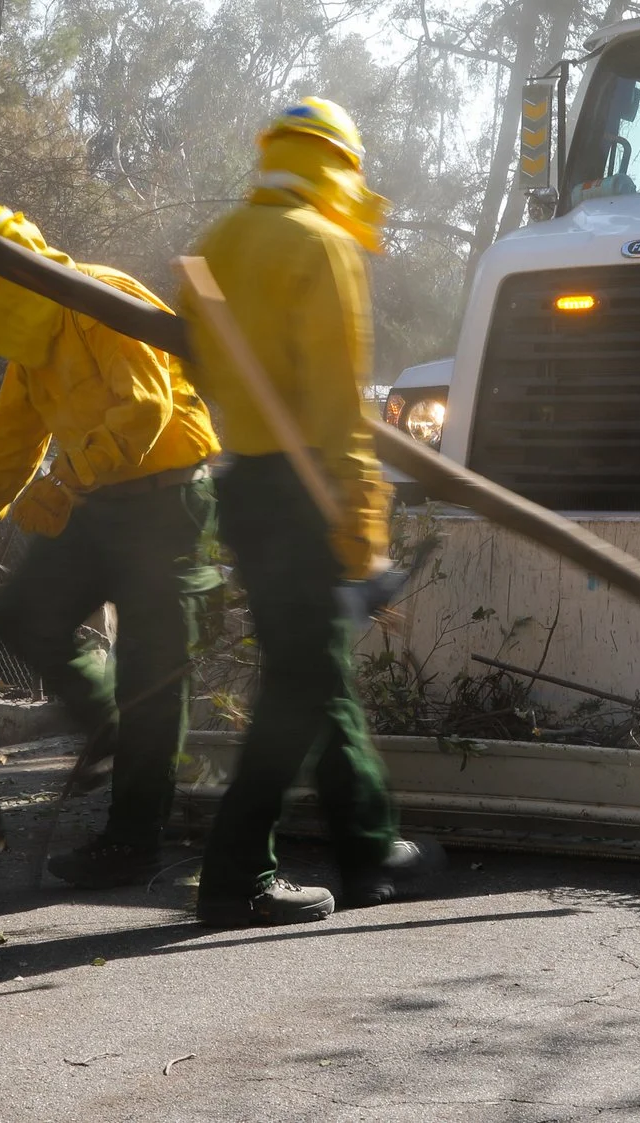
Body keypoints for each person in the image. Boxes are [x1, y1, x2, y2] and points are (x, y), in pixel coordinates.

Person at [0, 203, 220, 890]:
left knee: (150, 677)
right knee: (23, 614)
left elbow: (147, 406)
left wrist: (68, 477)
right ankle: (107, 728)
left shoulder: (97, 297)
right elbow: (5, 461)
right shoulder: (32, 353)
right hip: (103, 504)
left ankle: (133, 841)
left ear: (2, 270)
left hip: (167, 502)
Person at [183, 99, 434, 927]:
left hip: (245, 484)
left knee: (317, 671)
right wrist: (363, 537)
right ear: (341, 165)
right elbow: (337, 409)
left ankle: (369, 848)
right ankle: (234, 876)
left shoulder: (219, 240)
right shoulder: (322, 244)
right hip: (308, 489)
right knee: (300, 684)